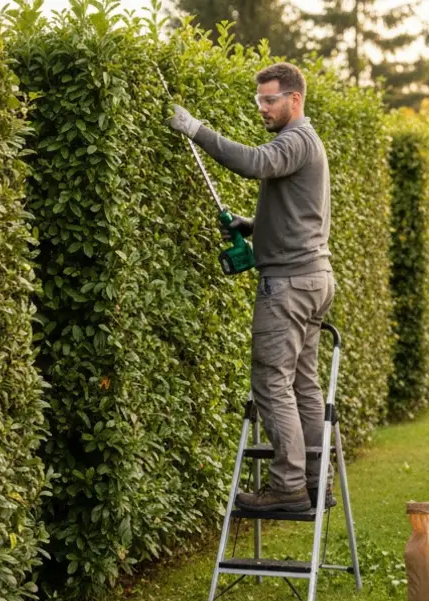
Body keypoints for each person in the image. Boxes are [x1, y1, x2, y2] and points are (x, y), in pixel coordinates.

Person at [166, 62, 335, 514]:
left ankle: (288, 489)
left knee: (271, 383)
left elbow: (256, 162)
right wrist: (254, 226)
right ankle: (318, 481)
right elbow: (299, 217)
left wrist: (196, 130)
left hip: (289, 283)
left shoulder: (296, 139)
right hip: (313, 276)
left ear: (294, 99)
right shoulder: (306, 144)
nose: (262, 107)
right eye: (258, 99)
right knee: (302, 384)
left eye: (269, 99)